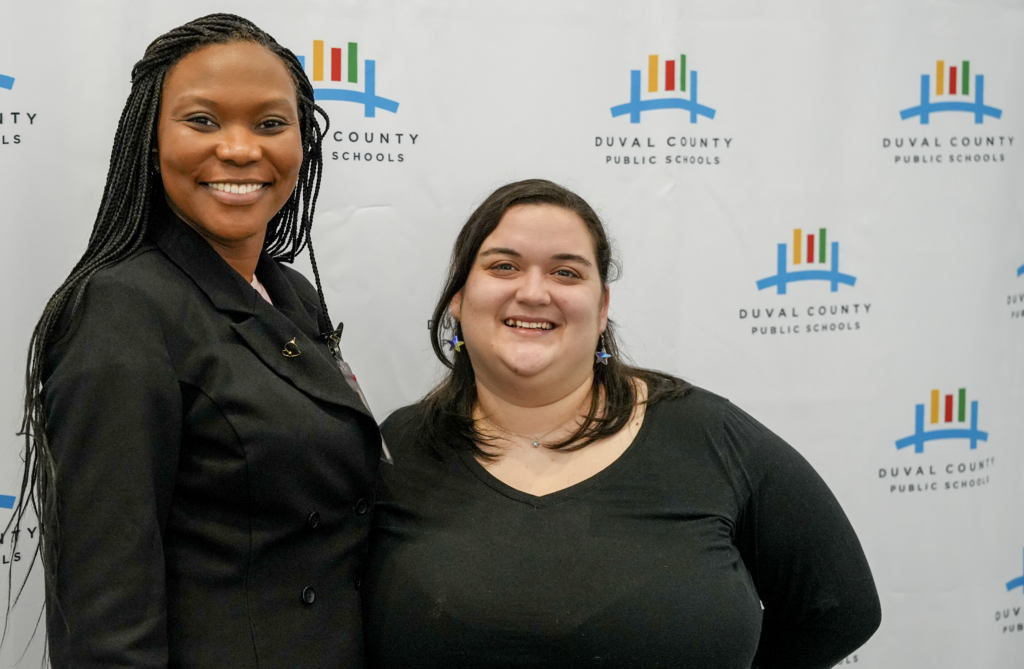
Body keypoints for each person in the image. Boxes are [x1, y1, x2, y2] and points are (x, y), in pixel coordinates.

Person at [363, 179, 882, 668]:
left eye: (566, 272)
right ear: (458, 296)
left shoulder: (710, 436)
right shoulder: (394, 451)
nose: (534, 292)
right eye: (504, 267)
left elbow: (839, 608)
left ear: (603, 305)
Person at [14, 14, 382, 668]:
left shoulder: (290, 292)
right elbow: (106, 616)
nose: (241, 149)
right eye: (203, 121)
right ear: (150, 140)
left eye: (271, 123)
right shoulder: (121, 308)